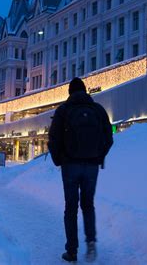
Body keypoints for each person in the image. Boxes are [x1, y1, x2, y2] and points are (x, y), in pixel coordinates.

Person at [48, 77, 113, 263]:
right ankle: (91, 241)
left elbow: (54, 139)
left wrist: (59, 160)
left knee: (71, 207)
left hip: (70, 165)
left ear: (70, 92)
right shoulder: (98, 110)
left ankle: (72, 251)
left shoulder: (63, 110)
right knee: (88, 205)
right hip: (92, 166)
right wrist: (98, 156)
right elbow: (109, 138)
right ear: (85, 91)